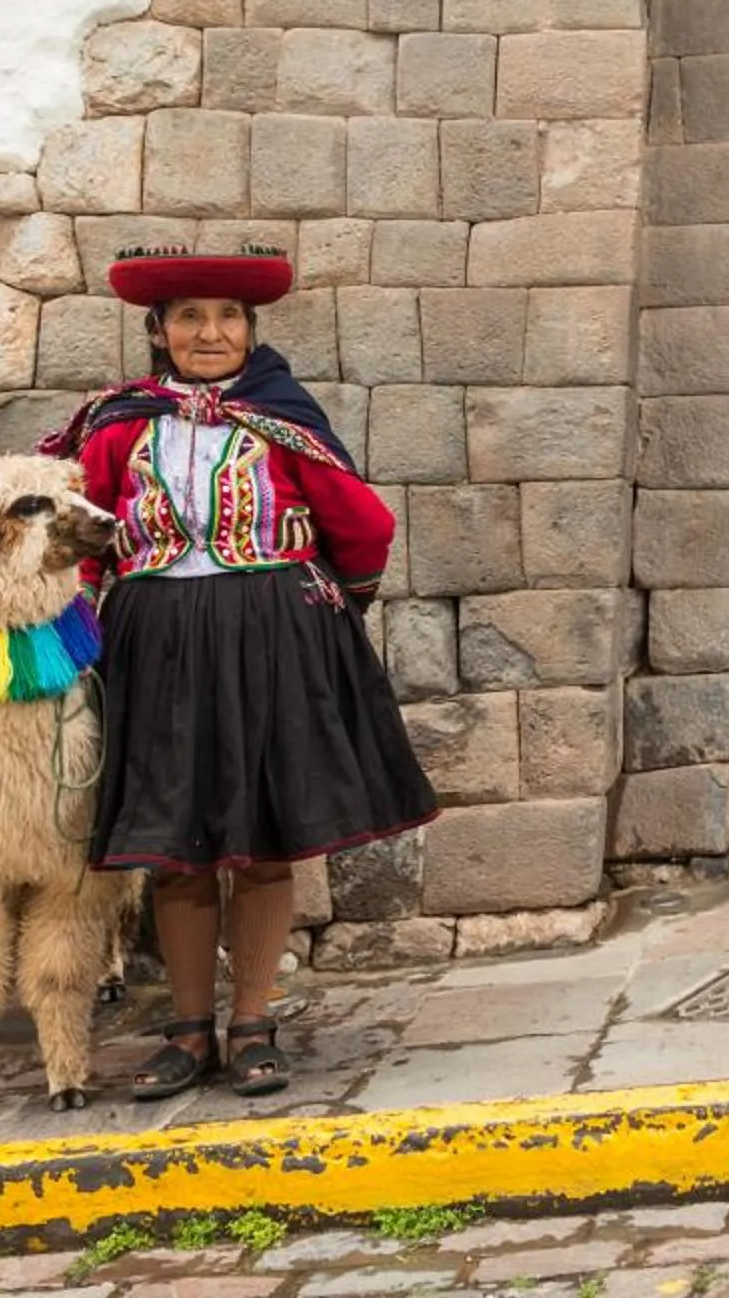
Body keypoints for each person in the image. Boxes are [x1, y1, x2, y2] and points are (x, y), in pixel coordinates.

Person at [45, 244, 440, 1099]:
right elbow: (83, 533)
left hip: (271, 635)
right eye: (190, 317)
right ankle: (189, 1029)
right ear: (158, 332)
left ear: (251, 331)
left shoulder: (280, 418)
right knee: (176, 847)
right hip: (153, 641)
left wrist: (326, 608)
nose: (211, 332)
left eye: (228, 317)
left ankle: (253, 1020)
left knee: (261, 841)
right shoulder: (119, 426)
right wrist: (76, 633)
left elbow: (362, 525)